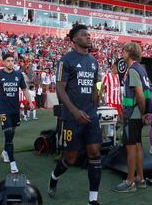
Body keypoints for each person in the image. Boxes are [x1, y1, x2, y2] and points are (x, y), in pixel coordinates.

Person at [47, 25, 102, 205]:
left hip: (91, 115)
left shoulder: (94, 61)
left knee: (94, 153)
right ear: (75, 39)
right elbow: (60, 88)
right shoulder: (65, 60)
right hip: (72, 116)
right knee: (71, 158)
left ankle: (93, 199)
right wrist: (74, 111)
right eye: (84, 35)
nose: (88, 37)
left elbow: (96, 85)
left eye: (89, 35)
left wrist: (98, 99)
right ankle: (54, 177)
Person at [112, 43, 152, 193]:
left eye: (124, 50)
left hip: (133, 114)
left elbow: (140, 94)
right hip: (137, 114)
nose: (122, 52)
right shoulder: (141, 68)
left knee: (130, 147)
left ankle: (130, 182)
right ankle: (140, 178)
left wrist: (142, 113)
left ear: (129, 52)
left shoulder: (134, 69)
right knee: (137, 145)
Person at [0, 54, 33, 174]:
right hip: (3, 109)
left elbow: (25, 89)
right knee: (8, 134)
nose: (10, 63)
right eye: (8, 61)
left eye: (12, 61)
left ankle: (5, 151)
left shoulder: (18, 74)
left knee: (12, 133)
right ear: (3, 62)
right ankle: (13, 163)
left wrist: (30, 102)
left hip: (15, 109)